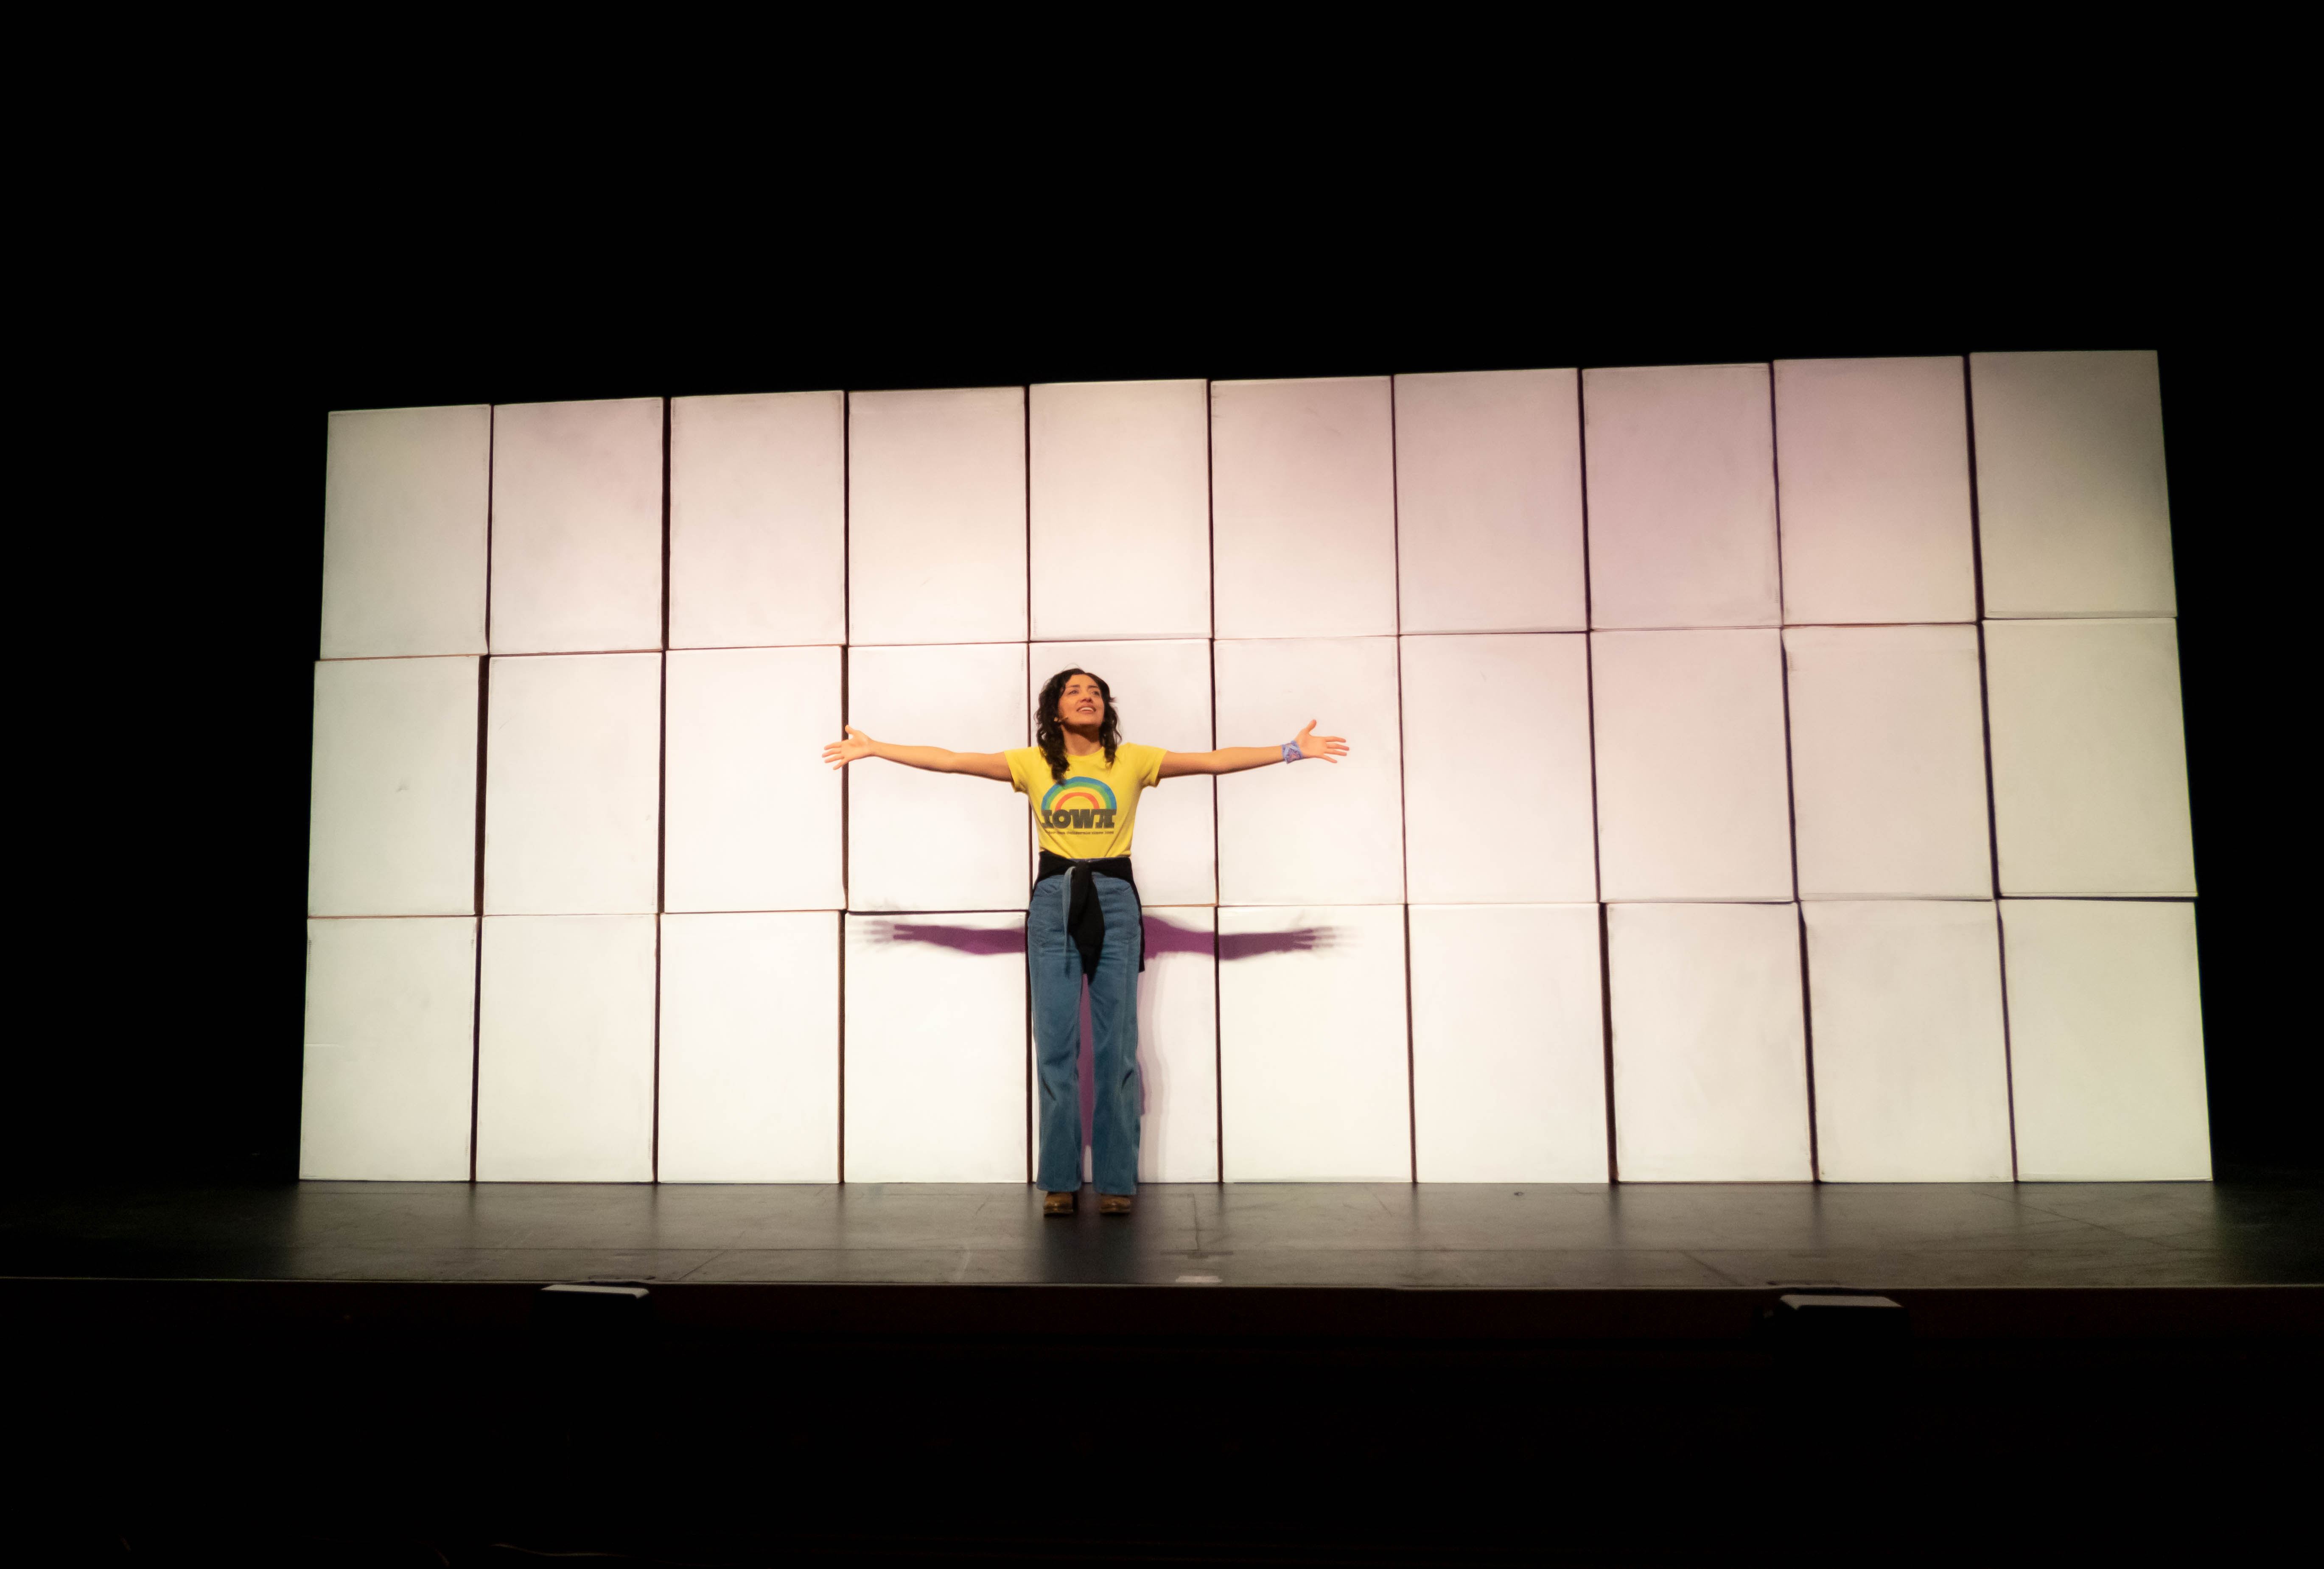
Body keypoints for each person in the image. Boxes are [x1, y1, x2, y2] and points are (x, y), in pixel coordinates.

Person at [823, 668, 1348, 1215]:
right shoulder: (1030, 765)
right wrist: (877, 748)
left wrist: (1292, 749)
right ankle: (1059, 1179)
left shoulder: (1132, 761)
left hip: (1115, 896)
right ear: (1056, 711)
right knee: (1055, 1045)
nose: (1087, 696)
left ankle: (1117, 1181)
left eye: (1095, 691)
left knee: (1116, 1046)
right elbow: (952, 760)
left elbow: (1213, 761)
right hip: (1054, 897)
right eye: (1074, 691)